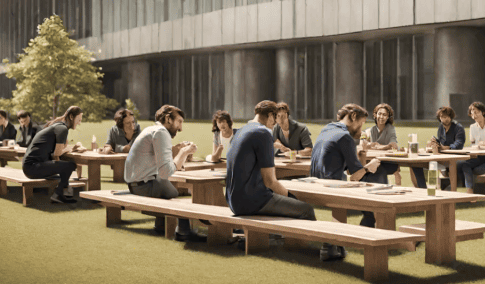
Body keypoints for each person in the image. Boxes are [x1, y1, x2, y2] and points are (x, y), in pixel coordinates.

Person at [226, 100, 318, 249]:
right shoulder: (263, 133)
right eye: (275, 118)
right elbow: (270, 181)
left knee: (282, 202)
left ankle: (272, 237)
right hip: (251, 201)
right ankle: (299, 248)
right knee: (306, 209)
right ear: (270, 115)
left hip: (232, 200)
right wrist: (290, 197)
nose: (275, 123)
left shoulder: (240, 131)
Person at [310, 103, 387, 260]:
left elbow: (345, 166)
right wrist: (370, 166)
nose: (361, 129)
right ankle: (368, 232)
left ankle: (337, 244)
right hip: (332, 187)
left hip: (314, 183)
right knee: (379, 178)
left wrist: (360, 156)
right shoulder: (345, 137)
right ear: (353, 117)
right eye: (361, 124)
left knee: (370, 181)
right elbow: (355, 176)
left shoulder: (328, 128)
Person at [123, 105, 204, 242]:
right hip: (144, 185)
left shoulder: (151, 129)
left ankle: (161, 225)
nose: (181, 128)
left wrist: (177, 149)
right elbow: (166, 171)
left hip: (136, 184)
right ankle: (183, 232)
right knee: (177, 194)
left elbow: (160, 157)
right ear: (168, 119)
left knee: (176, 189)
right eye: (179, 122)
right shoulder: (161, 132)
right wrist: (184, 152)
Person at [21, 105, 86, 204]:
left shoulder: (58, 126)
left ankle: (63, 193)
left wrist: (69, 149)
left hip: (29, 167)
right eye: (79, 120)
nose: (79, 123)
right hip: (33, 167)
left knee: (62, 173)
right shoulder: (62, 128)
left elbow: (54, 153)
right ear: (71, 117)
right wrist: (72, 149)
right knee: (71, 165)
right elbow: (57, 154)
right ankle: (58, 195)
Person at [364, 103, 403, 185]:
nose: (381, 117)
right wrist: (368, 143)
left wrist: (379, 147)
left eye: (384, 115)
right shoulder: (370, 130)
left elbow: (393, 144)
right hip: (374, 160)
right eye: (379, 114)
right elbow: (364, 144)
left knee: (378, 168)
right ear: (375, 115)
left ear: (388, 117)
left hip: (387, 162)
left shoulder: (390, 129)